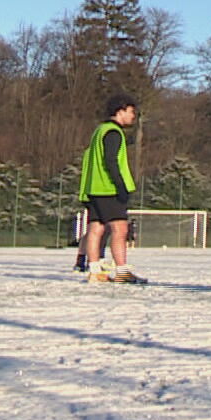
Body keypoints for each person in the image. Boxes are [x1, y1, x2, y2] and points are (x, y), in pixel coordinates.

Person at [78, 94, 143, 283]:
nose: (133, 116)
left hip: (94, 188)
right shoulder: (113, 132)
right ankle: (122, 271)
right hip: (108, 189)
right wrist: (120, 186)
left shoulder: (99, 130)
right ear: (120, 111)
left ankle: (95, 270)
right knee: (119, 229)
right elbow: (111, 161)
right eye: (131, 112)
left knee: (95, 228)